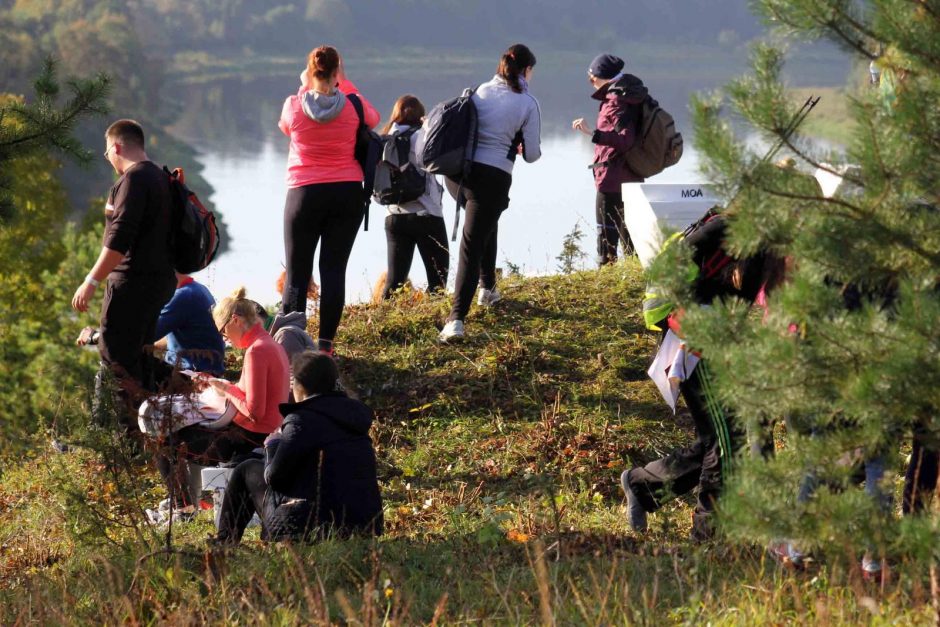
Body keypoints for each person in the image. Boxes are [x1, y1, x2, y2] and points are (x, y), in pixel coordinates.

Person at [620, 215, 784, 540]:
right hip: (691, 340)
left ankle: (643, 486)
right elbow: (669, 270)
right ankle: (709, 534)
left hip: (718, 342)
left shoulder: (772, 247)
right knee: (725, 439)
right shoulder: (724, 227)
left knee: (719, 436)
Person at [70, 119, 177, 433]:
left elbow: (119, 240)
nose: (109, 160)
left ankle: (123, 446)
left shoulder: (133, 181)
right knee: (139, 360)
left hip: (130, 284)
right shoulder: (161, 177)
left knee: (116, 363)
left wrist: (90, 282)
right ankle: (152, 432)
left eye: (107, 153)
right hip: (158, 283)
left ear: (116, 147)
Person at [215, 351, 383, 544]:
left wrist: (272, 445)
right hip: (364, 525)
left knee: (246, 469)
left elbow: (274, 477)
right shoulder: (354, 418)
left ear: (301, 386)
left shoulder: (301, 420)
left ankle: (224, 542)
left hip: (313, 526)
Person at [278, 45, 380, 357]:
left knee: (297, 271)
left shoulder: (293, 105)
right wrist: (345, 83)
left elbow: (286, 128)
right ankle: (325, 348)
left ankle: (291, 346)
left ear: (310, 72)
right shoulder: (354, 105)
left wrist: (306, 84)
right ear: (337, 72)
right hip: (346, 193)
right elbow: (373, 120)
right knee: (334, 270)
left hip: (304, 194)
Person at [153, 287, 290, 515]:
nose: (223, 339)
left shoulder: (256, 351)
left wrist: (225, 388)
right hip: (263, 433)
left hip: (247, 439)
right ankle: (185, 507)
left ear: (234, 320)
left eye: (223, 332)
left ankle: (183, 510)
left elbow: (254, 411)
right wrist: (219, 384)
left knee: (164, 441)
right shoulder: (271, 344)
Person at [438, 43, 542, 343]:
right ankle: (456, 319)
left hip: (458, 176)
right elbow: (533, 154)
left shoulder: (480, 90)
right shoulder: (527, 103)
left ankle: (488, 288)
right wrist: (519, 143)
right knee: (471, 245)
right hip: (492, 178)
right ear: (526, 71)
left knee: (485, 223)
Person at [572, 54, 647, 266]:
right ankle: (633, 276)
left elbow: (625, 139)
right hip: (631, 174)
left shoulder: (616, 101)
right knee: (630, 233)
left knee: (606, 234)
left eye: (591, 78)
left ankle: (606, 275)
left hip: (612, 177)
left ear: (602, 76)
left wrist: (593, 134)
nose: (591, 83)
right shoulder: (628, 95)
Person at [380, 95, 449, 299]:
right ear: (420, 116)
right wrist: (430, 126)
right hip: (426, 213)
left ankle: (385, 324)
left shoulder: (385, 138)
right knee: (438, 278)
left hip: (394, 216)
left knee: (394, 282)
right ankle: (437, 323)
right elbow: (441, 159)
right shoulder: (423, 136)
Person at [152, 273, 225, 376]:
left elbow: (146, 333)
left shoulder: (183, 295)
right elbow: (183, 338)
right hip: (208, 370)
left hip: (192, 374)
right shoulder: (198, 289)